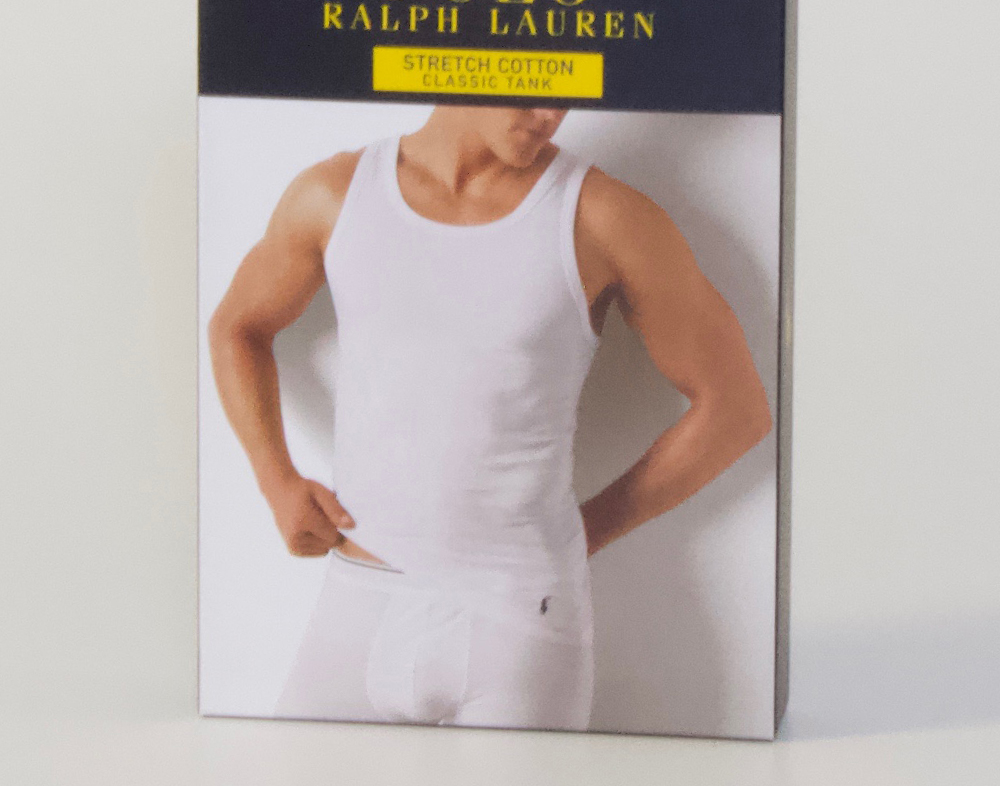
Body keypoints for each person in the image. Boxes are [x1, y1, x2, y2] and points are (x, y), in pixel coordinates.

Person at [207, 104, 772, 731]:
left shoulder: (602, 217)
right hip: (357, 599)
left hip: (520, 622)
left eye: (566, 88)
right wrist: (276, 480)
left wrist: (578, 533)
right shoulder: (335, 195)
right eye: (532, 83)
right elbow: (238, 327)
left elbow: (736, 409)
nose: (550, 113)